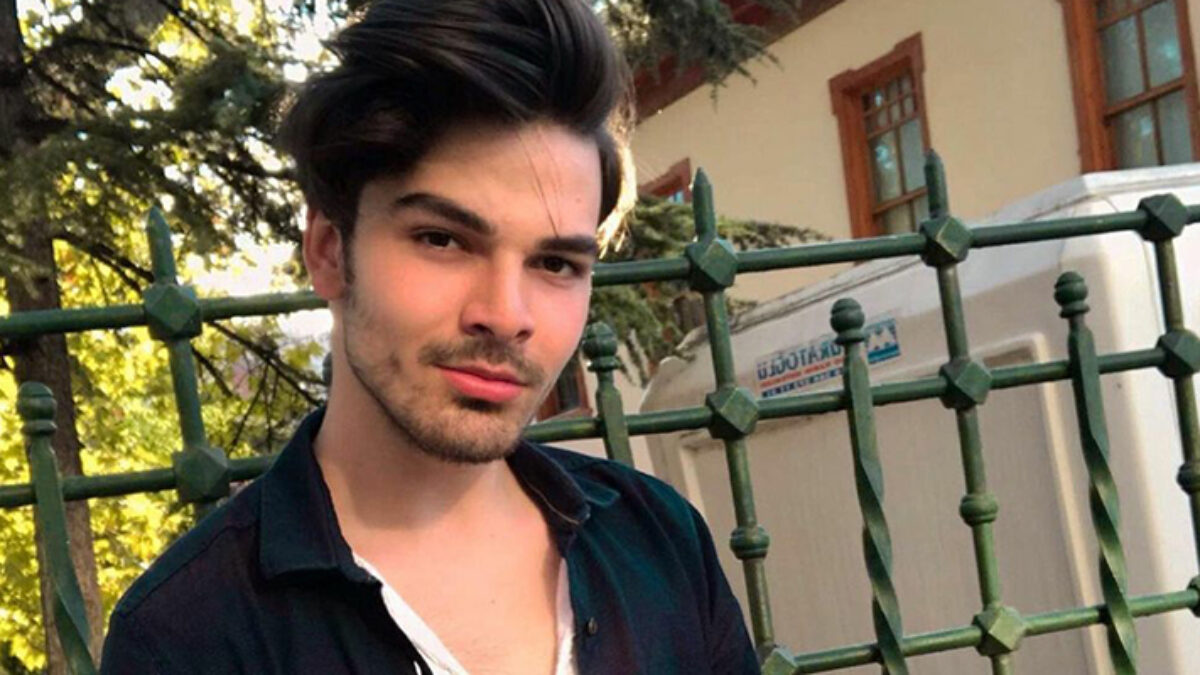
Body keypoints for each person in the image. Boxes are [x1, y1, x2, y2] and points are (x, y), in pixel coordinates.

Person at [99, 1, 758, 673]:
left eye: (556, 263)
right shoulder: (188, 638)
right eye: (442, 239)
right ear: (329, 250)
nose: (505, 314)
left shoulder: (661, 542)